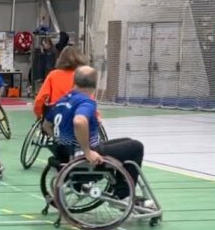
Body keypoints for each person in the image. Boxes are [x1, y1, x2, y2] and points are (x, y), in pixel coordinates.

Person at [42, 66, 146, 202]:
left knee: (127, 141)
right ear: (95, 84)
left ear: (74, 81)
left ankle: (121, 188)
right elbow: (79, 121)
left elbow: (46, 126)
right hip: (83, 156)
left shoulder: (63, 100)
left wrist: (64, 141)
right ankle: (124, 194)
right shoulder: (86, 101)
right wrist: (87, 152)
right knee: (136, 147)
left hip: (66, 154)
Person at [32, 46, 89, 119]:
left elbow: (40, 99)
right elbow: (90, 99)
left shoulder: (53, 75)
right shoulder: (84, 76)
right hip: (79, 115)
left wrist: (38, 114)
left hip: (57, 115)